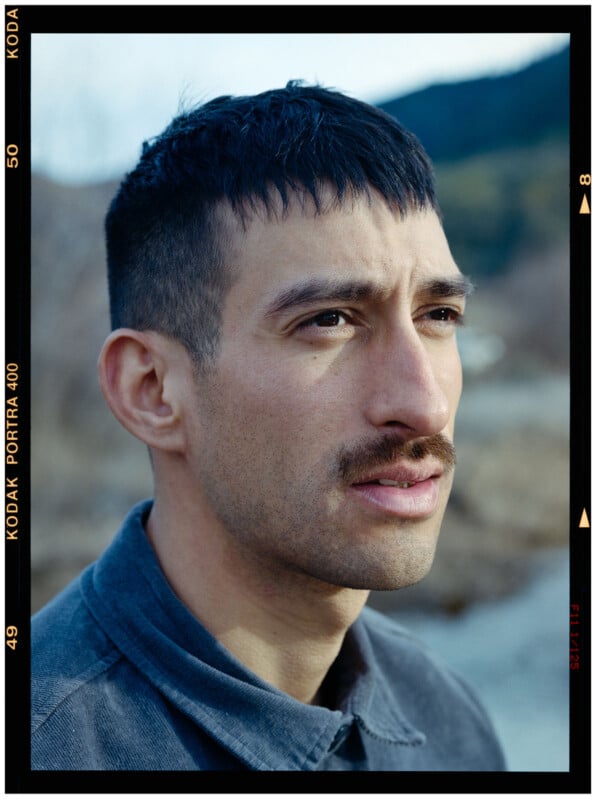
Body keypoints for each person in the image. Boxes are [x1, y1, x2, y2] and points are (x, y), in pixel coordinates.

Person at [31, 81, 506, 771]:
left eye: (438, 315)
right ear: (152, 390)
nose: (426, 406)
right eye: (328, 320)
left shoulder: (447, 721)